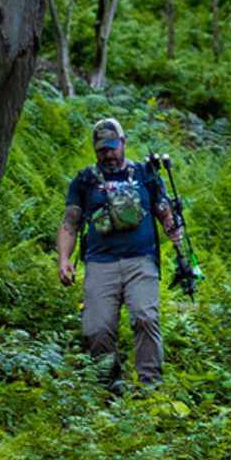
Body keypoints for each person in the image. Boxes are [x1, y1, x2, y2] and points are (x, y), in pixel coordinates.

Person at [56, 118, 182, 391]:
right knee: (96, 329)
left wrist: (173, 228)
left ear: (123, 143)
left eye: (113, 148)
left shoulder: (145, 173)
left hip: (141, 261)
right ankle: (109, 387)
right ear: (95, 150)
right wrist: (64, 260)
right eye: (102, 150)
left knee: (145, 318)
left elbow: (163, 208)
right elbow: (70, 222)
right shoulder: (85, 180)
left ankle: (151, 389)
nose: (108, 154)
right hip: (101, 263)